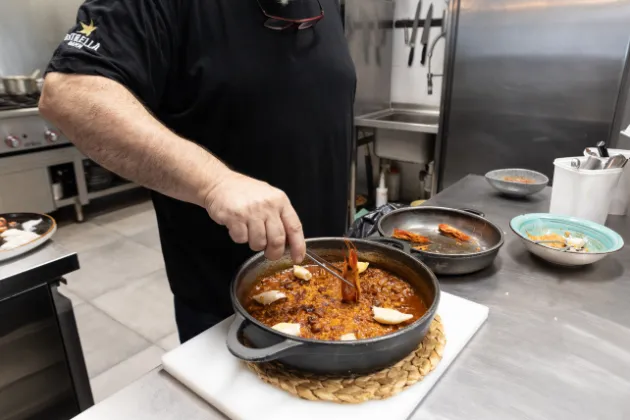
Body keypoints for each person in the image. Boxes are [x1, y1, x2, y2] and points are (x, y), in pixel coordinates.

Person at [40, 0, 356, 343]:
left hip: (330, 279)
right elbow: (70, 94)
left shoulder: (328, 7)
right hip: (225, 304)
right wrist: (216, 182)